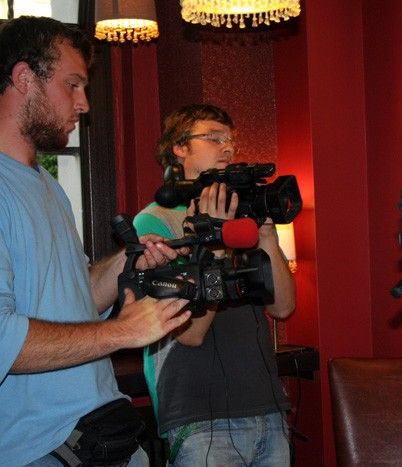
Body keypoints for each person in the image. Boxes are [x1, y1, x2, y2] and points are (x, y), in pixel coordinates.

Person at [0, 16, 193, 466]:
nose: (83, 103)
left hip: (103, 433)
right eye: (72, 85)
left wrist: (127, 260)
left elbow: (75, 298)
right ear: (24, 78)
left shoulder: (48, 187)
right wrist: (124, 331)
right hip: (40, 449)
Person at [132, 104, 296, 466]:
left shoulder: (241, 216)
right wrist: (217, 245)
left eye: (231, 140)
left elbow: (283, 307)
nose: (227, 147)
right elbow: (189, 332)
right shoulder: (155, 222)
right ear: (179, 147)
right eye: (213, 137)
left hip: (266, 407)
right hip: (200, 417)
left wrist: (266, 236)